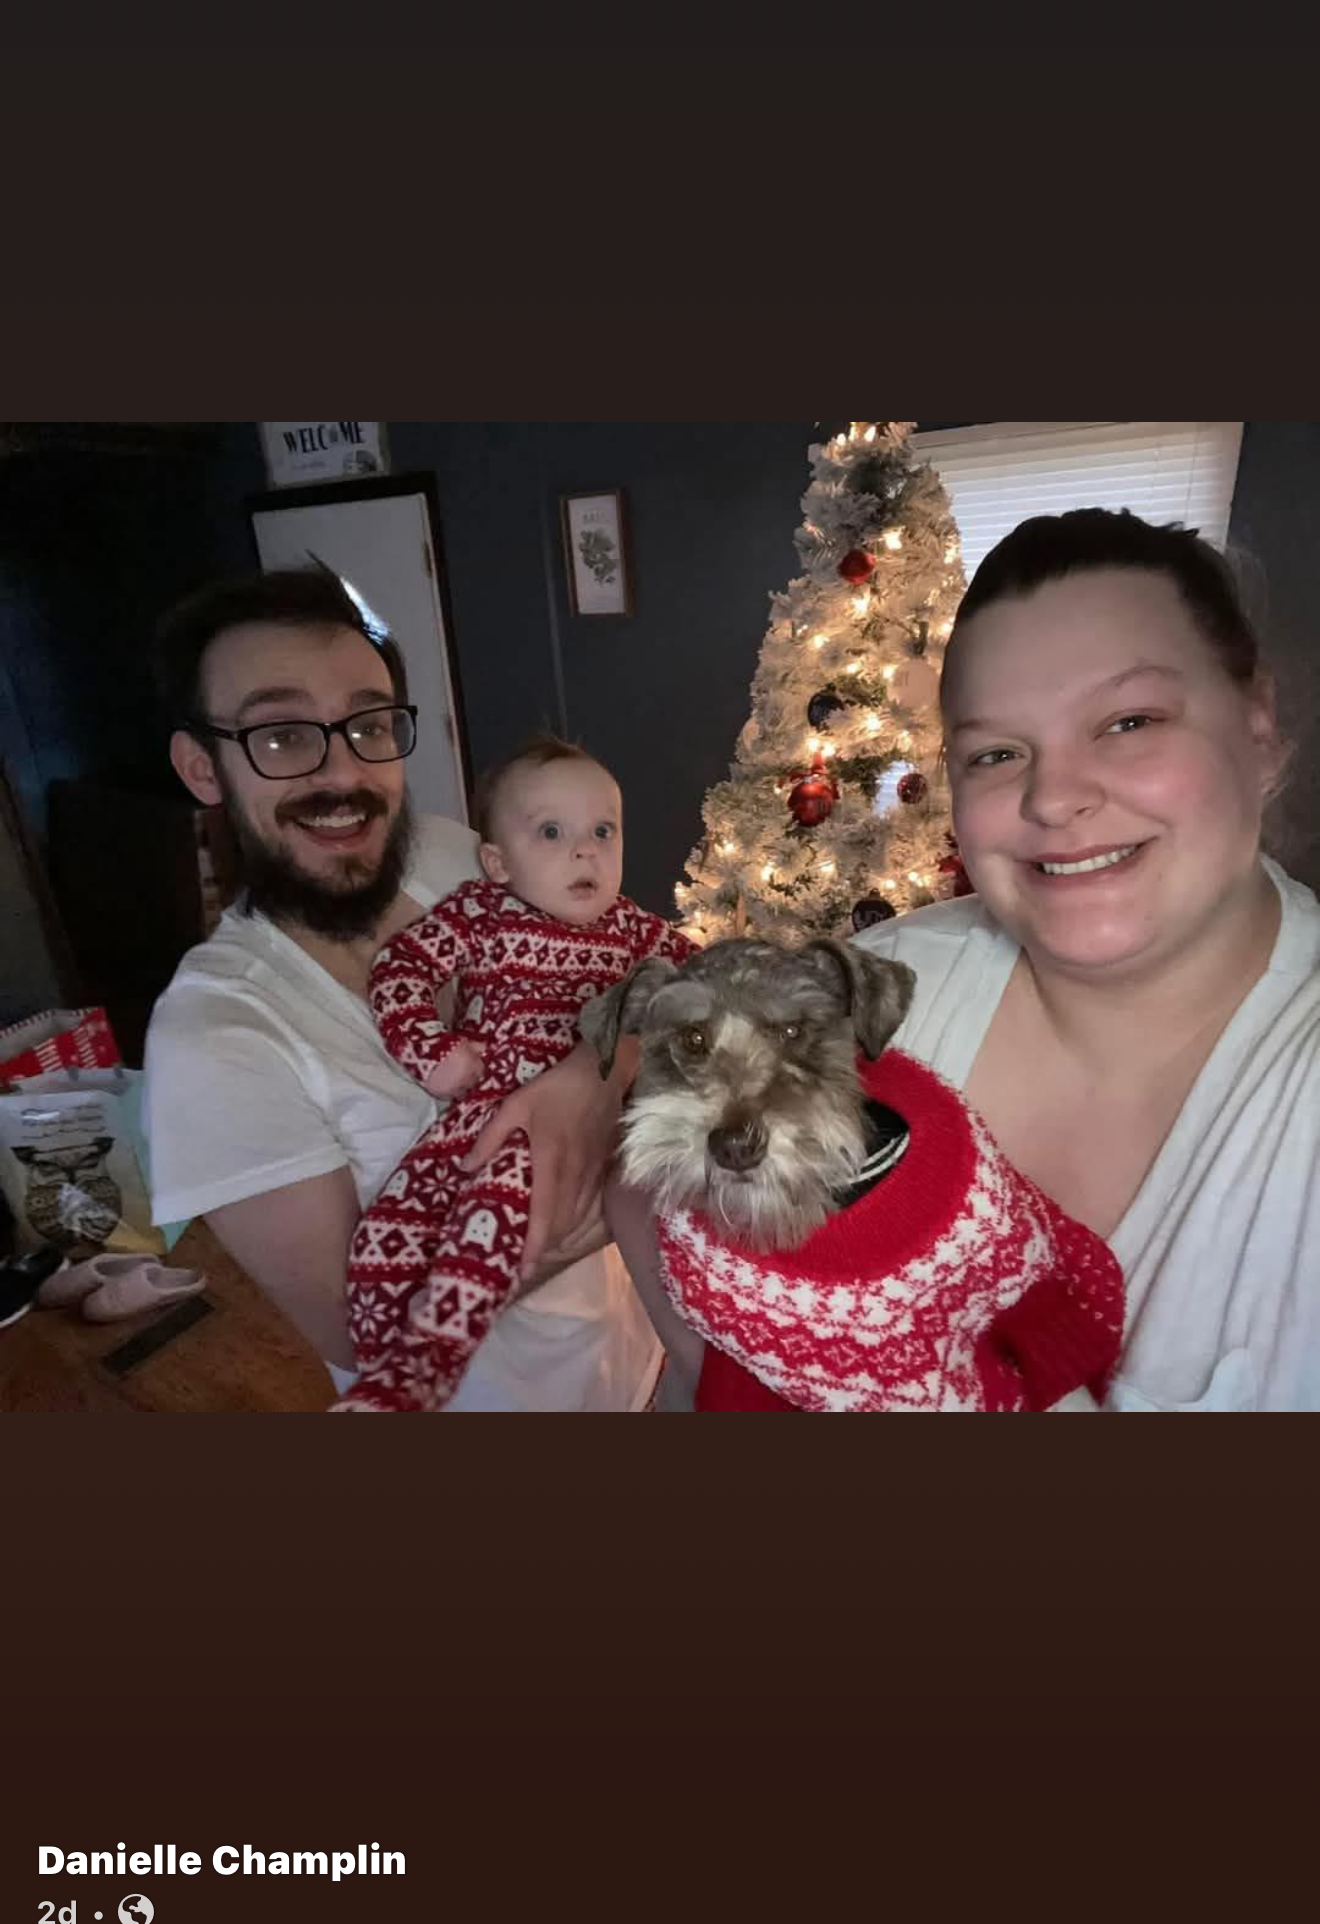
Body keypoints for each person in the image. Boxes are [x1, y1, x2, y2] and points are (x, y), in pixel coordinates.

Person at [608, 508, 1320, 1412]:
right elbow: (644, 1163)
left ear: (1257, 723)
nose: (1054, 797)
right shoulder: (876, 983)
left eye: (1129, 721)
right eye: (997, 752)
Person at [142, 570, 659, 1411]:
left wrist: (596, 1073)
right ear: (203, 767)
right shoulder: (213, 1039)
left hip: (639, 1356)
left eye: (369, 725)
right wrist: (616, 1179)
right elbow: (361, 1333)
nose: (344, 772)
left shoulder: (455, 855)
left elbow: (632, 965)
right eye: (283, 735)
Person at [338, 736, 690, 1410]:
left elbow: (705, 976)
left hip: (574, 1133)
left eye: (603, 831)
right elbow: (401, 969)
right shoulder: (480, 912)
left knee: (496, 1210)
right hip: (482, 1112)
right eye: (552, 832)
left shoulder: (633, 930)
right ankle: (383, 1369)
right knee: (391, 1231)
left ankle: (423, 1369)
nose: (585, 852)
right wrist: (430, 1051)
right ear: (498, 862)